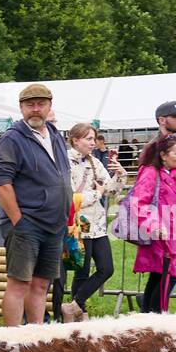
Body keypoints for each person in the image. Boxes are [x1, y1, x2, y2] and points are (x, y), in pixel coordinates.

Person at [0, 84, 73, 325]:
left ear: (50, 106)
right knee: (18, 284)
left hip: (53, 225)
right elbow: (3, 184)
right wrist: (19, 221)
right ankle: (13, 344)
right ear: (21, 108)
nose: (35, 110)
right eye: (30, 105)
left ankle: (36, 342)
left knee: (41, 285)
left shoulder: (56, 135)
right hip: (27, 224)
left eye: (40, 104)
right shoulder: (11, 139)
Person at [129, 134, 176, 313]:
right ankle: (155, 318)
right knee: (165, 276)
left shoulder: (172, 174)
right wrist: (153, 225)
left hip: (171, 233)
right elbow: (139, 202)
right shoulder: (150, 173)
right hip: (159, 234)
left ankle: (147, 318)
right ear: (163, 155)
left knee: (159, 277)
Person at [63, 122, 119, 320]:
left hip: (98, 224)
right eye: (88, 139)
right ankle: (81, 311)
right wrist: (97, 193)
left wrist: (120, 175)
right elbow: (72, 198)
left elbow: (111, 189)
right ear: (75, 140)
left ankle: (74, 305)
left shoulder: (95, 162)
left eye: (94, 139)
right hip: (79, 224)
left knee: (106, 268)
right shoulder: (65, 162)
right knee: (82, 271)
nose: (93, 143)